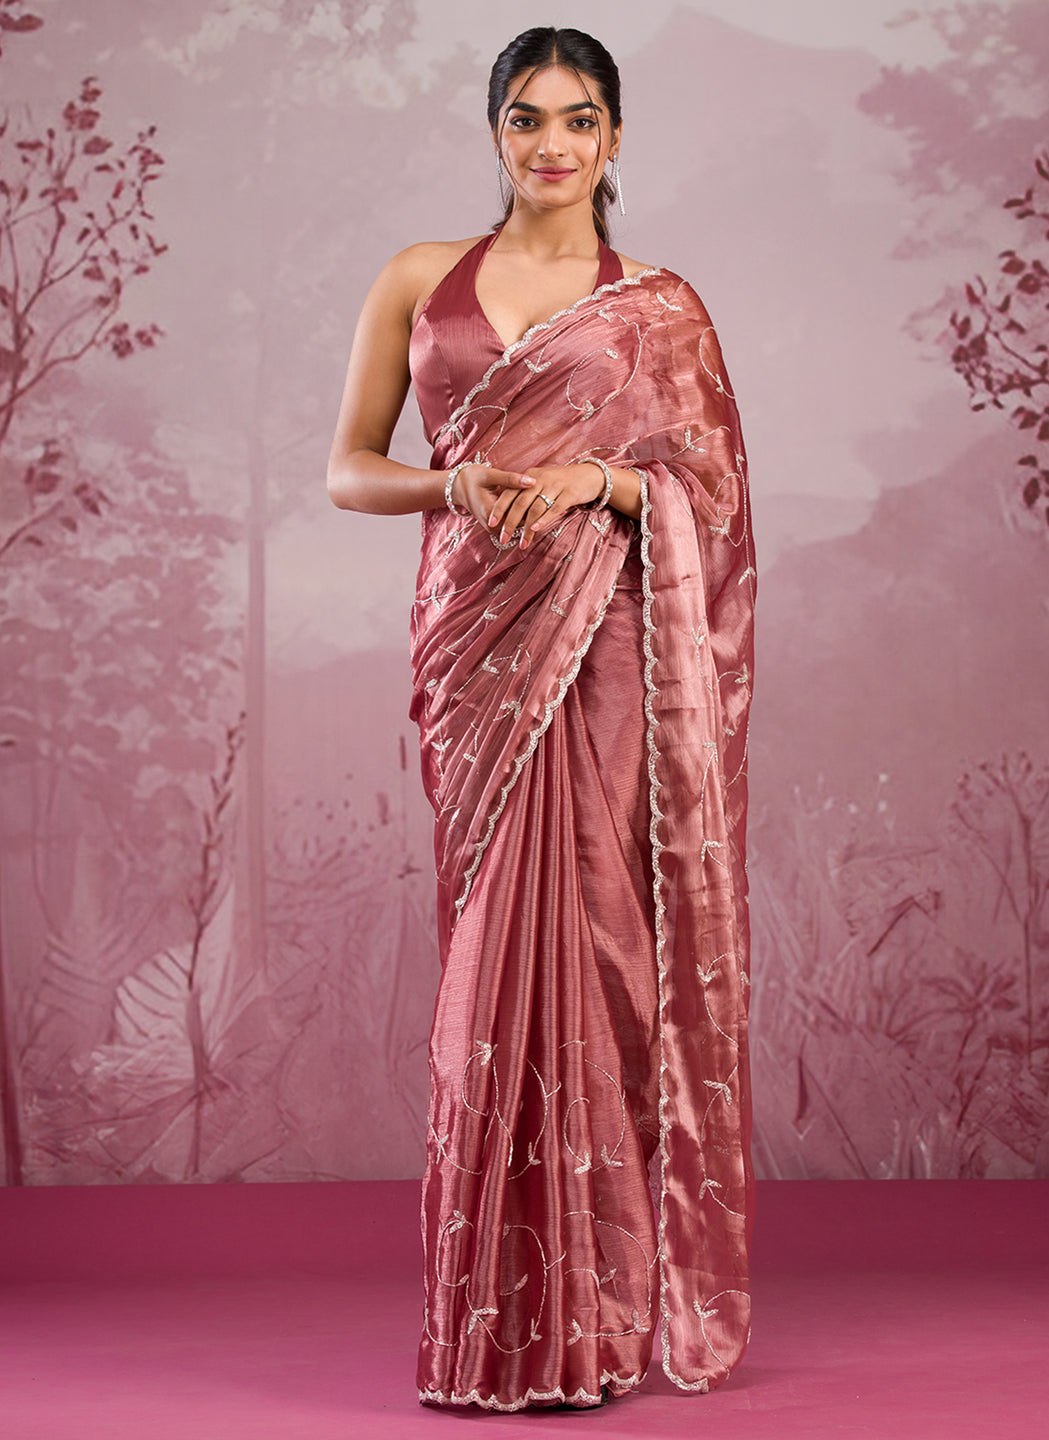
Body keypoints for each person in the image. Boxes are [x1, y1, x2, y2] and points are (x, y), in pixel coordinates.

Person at [326, 25, 757, 1413]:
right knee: (490, 959)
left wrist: (600, 484)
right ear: (496, 132)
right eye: (528, 117)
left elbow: (712, 498)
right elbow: (349, 470)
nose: (553, 143)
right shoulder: (419, 277)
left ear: (614, 137)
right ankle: (492, 1318)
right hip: (476, 640)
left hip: (607, 644)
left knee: (596, 945)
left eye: (579, 118)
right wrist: (454, 488)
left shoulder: (660, 309)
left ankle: (594, 1315)